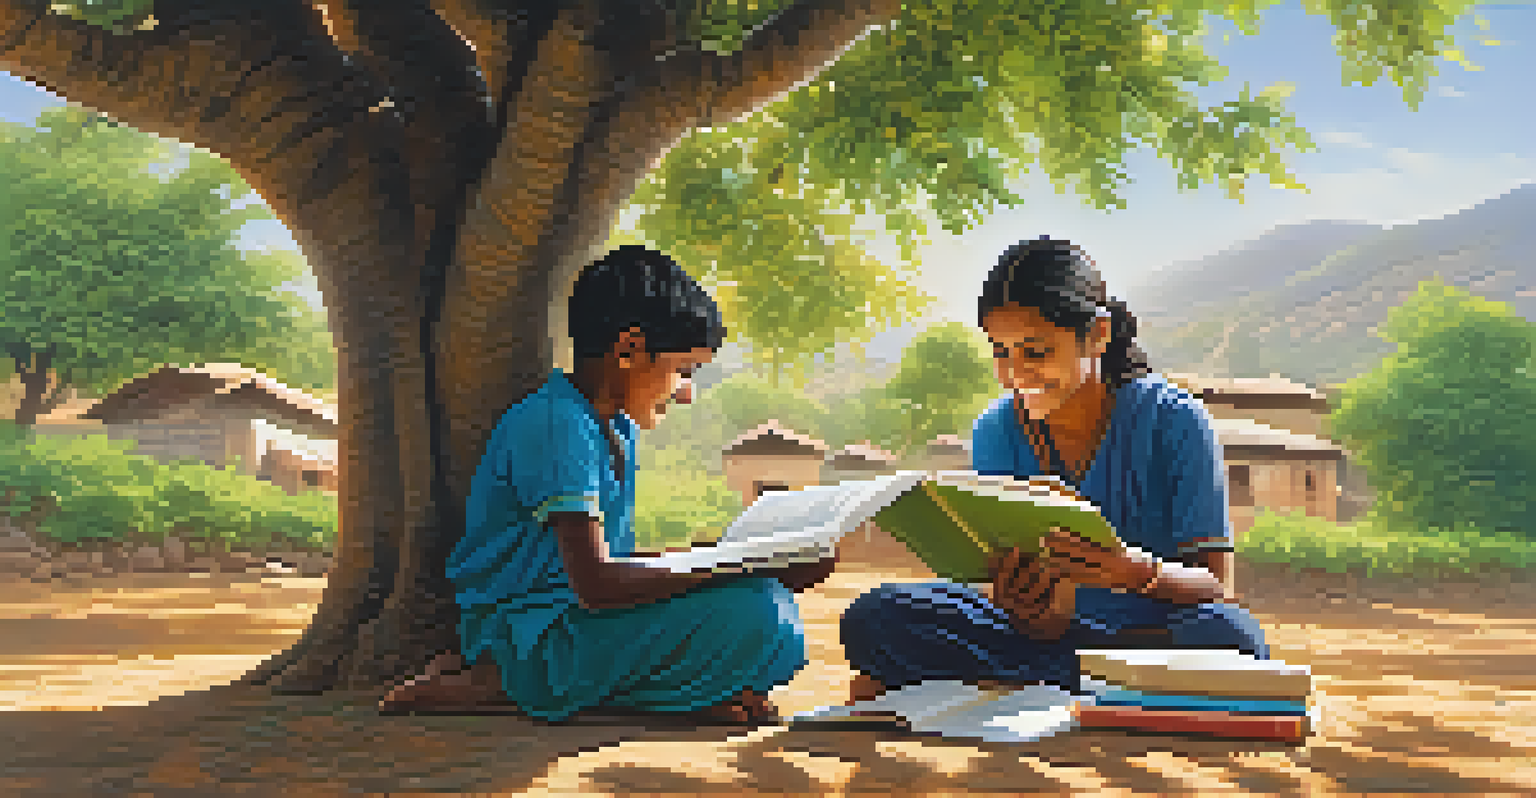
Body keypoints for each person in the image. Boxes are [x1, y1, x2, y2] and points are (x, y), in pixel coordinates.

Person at [380, 245, 835, 723]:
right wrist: (734, 569)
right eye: (683, 371)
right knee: (760, 614)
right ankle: (503, 685)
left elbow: (614, 565)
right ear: (628, 350)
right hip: (532, 632)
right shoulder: (559, 426)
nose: (687, 393)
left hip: (581, 618)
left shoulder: (617, 427)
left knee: (771, 609)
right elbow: (598, 585)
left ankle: (635, 695)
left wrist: (749, 559)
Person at [839, 237, 1269, 703]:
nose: (1012, 375)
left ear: (1098, 335)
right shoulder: (995, 430)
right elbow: (1023, 610)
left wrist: (1128, 571)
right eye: (1001, 353)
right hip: (1047, 640)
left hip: (1151, 632)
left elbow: (1215, 585)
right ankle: (1098, 685)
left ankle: (1000, 682)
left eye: (1036, 352)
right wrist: (1027, 605)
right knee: (874, 616)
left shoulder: (1174, 418)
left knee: (1231, 634)